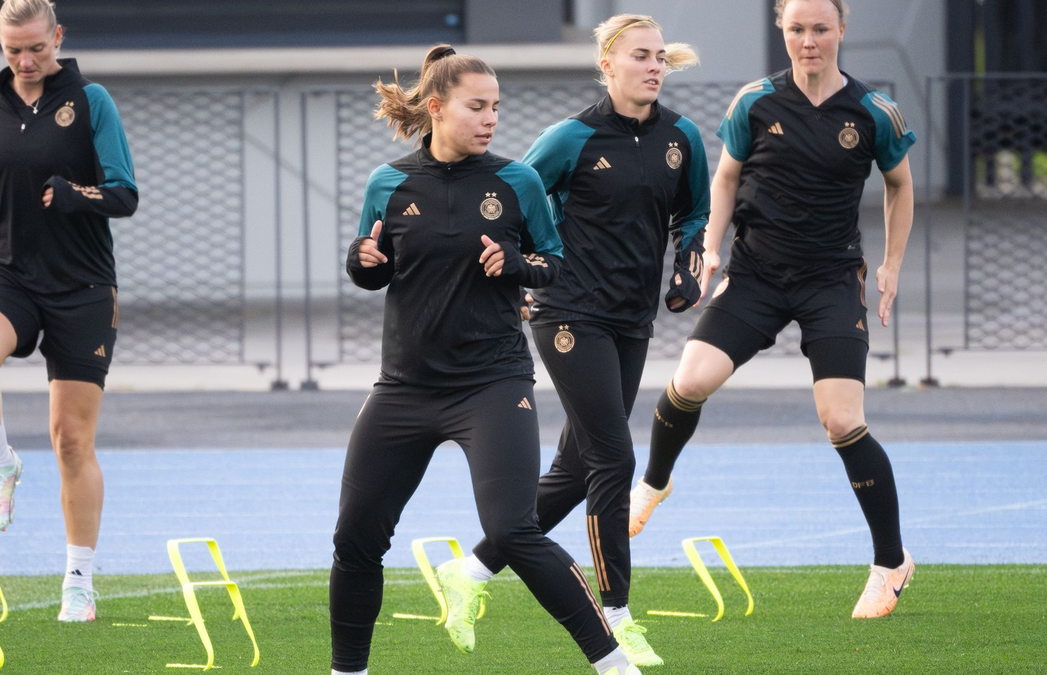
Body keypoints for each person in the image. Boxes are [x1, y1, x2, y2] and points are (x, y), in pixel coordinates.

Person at [329, 45, 640, 675]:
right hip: (404, 388)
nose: (490, 118)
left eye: (495, 107)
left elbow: (553, 265)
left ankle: (614, 665)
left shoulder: (517, 182)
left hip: (492, 384)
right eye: (477, 107)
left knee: (512, 530)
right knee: (355, 540)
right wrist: (363, 265)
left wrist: (519, 264)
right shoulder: (388, 182)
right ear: (437, 109)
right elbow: (371, 264)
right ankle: (347, 671)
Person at [438, 14, 710, 667]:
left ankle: (469, 573)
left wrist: (686, 264)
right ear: (608, 62)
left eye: (658, 58)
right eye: (639, 56)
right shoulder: (572, 138)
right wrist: (519, 265)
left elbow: (694, 212)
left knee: (574, 469)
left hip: (630, 319)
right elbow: (509, 194)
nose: (653, 67)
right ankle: (616, 616)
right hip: (567, 311)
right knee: (614, 459)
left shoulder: (682, 136)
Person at [630, 0, 916, 619]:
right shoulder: (754, 102)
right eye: (796, 29)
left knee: (841, 420)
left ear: (842, 30)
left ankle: (891, 562)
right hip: (756, 273)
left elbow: (899, 183)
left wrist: (891, 263)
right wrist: (709, 247)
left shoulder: (873, 112)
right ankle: (654, 482)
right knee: (690, 380)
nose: (808, 41)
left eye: (820, 29)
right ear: (781, 31)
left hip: (830, 279)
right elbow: (727, 177)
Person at [0, 0, 137, 623]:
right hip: (9, 272)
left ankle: (78, 579)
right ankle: (0, 461)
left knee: (72, 440)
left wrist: (76, 194)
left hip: (82, 286)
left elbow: (125, 193)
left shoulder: (91, 100)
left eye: (36, 48)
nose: (25, 61)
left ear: (58, 38)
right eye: (13, 49)